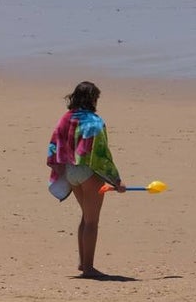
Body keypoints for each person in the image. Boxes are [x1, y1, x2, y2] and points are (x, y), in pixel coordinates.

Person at [47, 81, 125, 279]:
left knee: (85, 217)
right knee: (92, 221)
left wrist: (59, 169)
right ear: (93, 99)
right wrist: (116, 180)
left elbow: (54, 144)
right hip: (88, 172)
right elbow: (100, 155)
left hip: (71, 171)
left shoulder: (65, 118)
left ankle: (83, 263)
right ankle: (89, 268)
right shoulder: (94, 122)